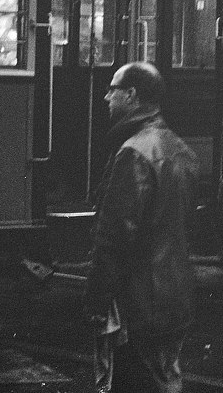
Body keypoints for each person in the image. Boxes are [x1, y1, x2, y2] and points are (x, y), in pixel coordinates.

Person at [85, 62, 198, 393]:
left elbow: (114, 238)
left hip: (139, 302)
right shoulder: (180, 149)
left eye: (113, 90)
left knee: (134, 381)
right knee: (165, 378)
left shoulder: (133, 153)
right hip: (175, 296)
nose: (107, 97)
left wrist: (96, 300)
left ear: (131, 95)